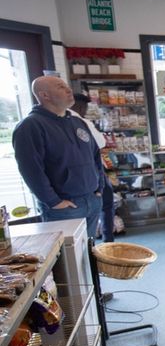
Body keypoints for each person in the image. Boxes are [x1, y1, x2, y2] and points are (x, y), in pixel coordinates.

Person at [12, 76, 104, 238]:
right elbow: (31, 170)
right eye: (61, 87)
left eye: (67, 86)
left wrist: (99, 188)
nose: (69, 90)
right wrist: (54, 202)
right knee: (68, 260)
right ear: (44, 95)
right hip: (64, 206)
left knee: (88, 254)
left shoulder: (77, 122)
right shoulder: (30, 126)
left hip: (91, 198)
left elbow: (95, 156)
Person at [70, 93, 115, 242]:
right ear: (80, 106)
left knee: (76, 232)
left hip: (72, 181)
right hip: (90, 176)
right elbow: (101, 142)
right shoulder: (80, 121)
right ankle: (107, 240)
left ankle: (90, 248)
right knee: (106, 205)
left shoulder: (54, 121)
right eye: (85, 108)